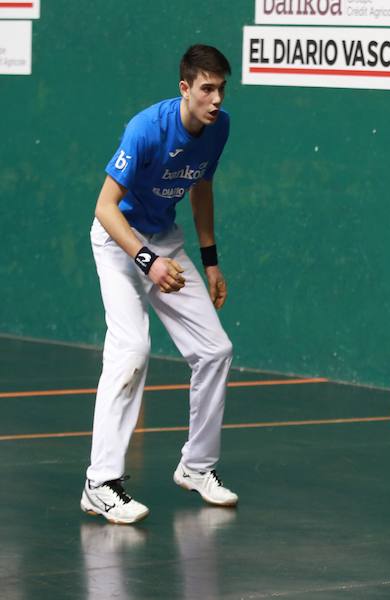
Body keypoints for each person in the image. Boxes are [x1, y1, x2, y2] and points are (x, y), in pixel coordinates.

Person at [80, 44, 238, 525]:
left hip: (164, 241)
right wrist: (146, 260)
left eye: (221, 89)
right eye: (206, 89)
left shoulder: (219, 128)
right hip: (118, 241)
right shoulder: (146, 128)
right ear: (185, 88)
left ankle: (196, 466)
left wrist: (209, 261)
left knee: (215, 350)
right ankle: (100, 483)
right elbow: (105, 207)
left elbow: (202, 187)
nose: (215, 100)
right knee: (131, 350)